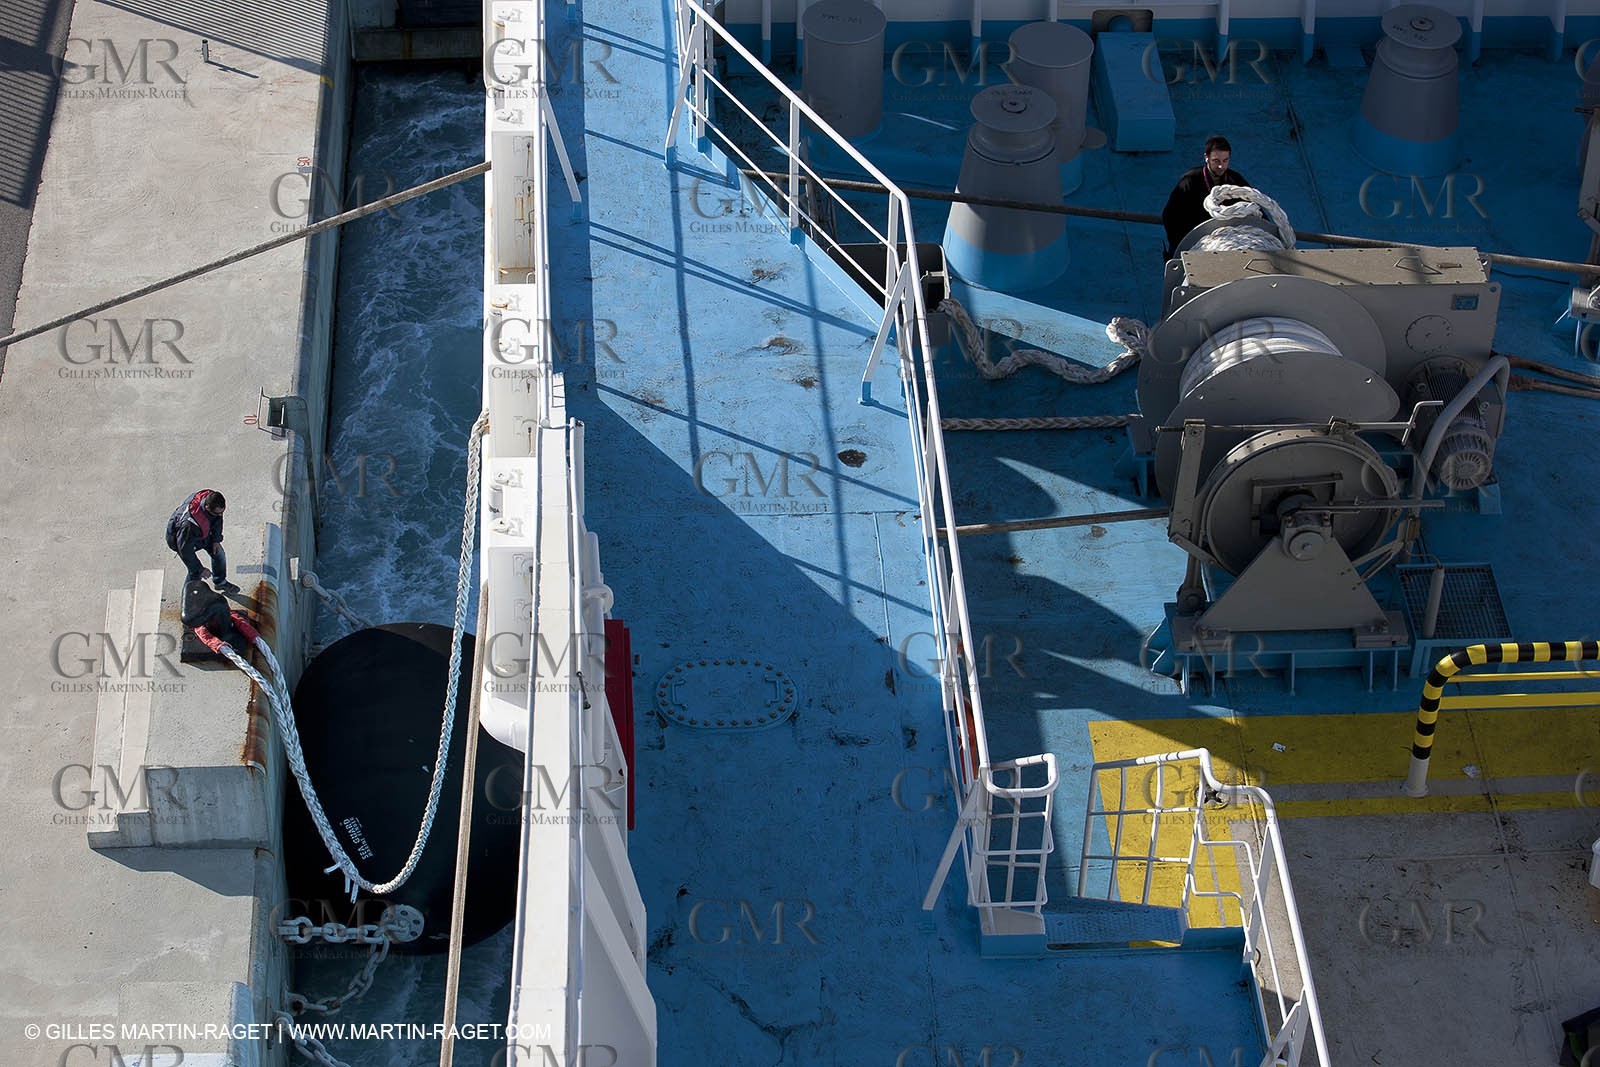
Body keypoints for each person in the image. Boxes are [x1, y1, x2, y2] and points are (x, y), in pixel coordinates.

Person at [1161, 135, 1251, 259]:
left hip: (1224, 242)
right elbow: (1170, 216)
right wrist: (1183, 246)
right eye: (1216, 161)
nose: (1221, 166)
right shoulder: (1189, 182)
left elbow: (1254, 207)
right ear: (1206, 158)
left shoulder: (1235, 181)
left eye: (1225, 161)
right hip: (1193, 241)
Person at [166, 489, 238, 593]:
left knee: (218, 553)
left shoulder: (212, 501)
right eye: (217, 513)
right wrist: (200, 569)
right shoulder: (189, 524)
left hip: (202, 533)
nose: (220, 515)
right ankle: (188, 602)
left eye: (221, 512)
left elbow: (217, 521)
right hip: (181, 540)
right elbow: (185, 550)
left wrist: (216, 540)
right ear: (207, 507)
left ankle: (220, 582)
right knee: (194, 572)